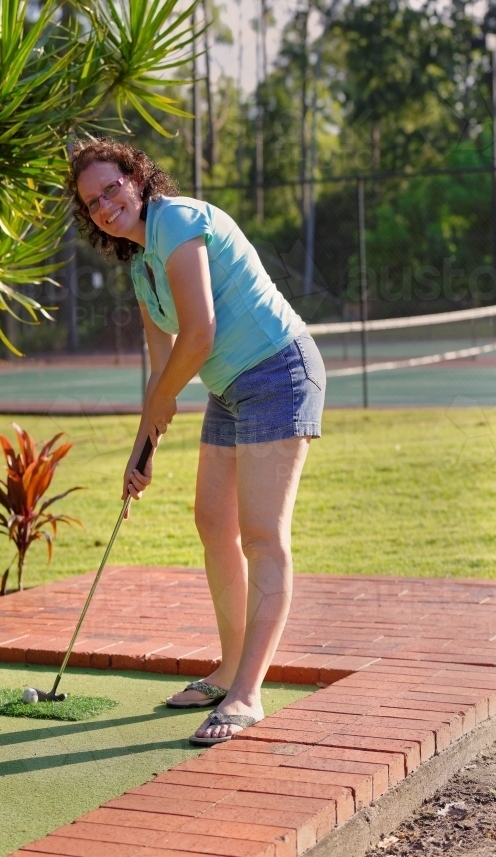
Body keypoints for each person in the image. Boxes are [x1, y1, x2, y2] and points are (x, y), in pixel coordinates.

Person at [67, 137, 326, 745]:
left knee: (263, 534)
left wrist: (163, 400)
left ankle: (248, 693)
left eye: (112, 187)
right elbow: (162, 373)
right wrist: (141, 453)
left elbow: (201, 332)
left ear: (136, 179)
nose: (106, 205)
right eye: (92, 202)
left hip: (279, 372)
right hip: (232, 389)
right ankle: (228, 669)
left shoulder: (178, 221)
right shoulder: (141, 266)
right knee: (214, 521)